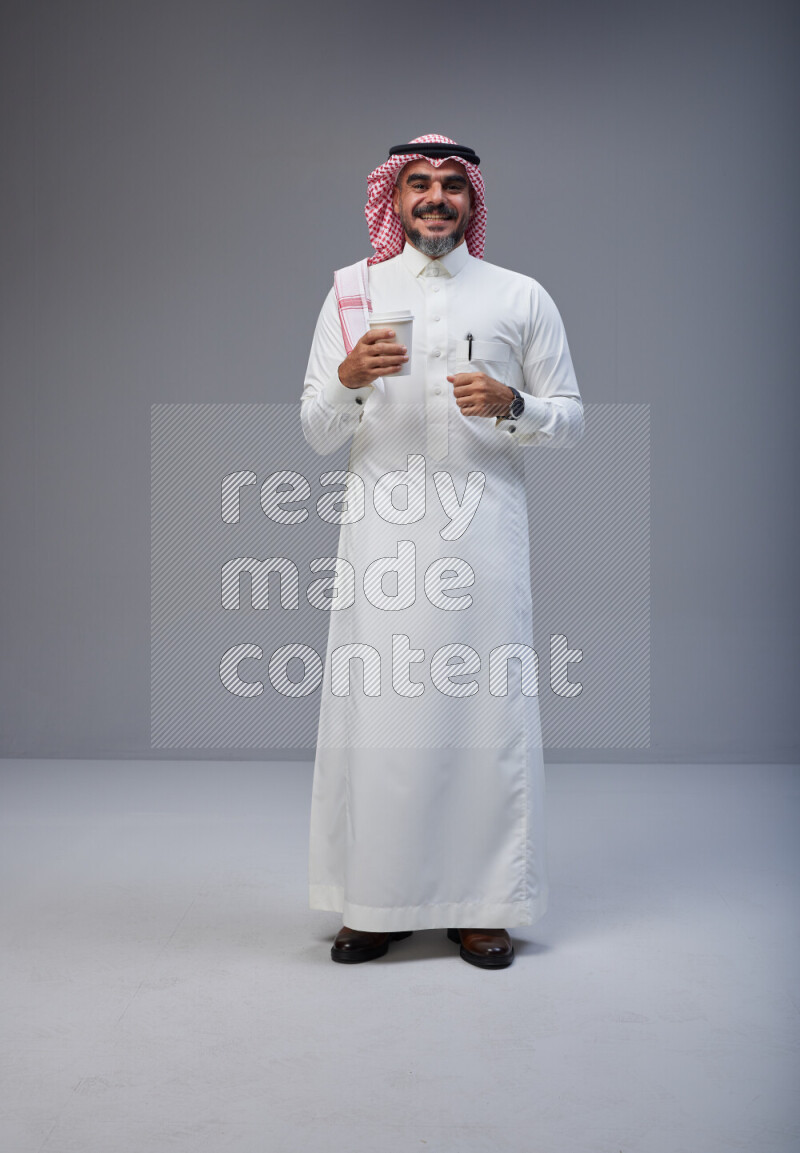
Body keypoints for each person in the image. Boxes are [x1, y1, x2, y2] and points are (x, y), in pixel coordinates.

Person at [300, 133, 583, 969]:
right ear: (392, 199)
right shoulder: (352, 291)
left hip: (483, 540)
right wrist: (350, 375)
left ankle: (482, 905)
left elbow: (571, 417)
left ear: (472, 201)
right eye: (417, 184)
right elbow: (316, 431)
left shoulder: (519, 295)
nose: (433, 198)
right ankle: (375, 903)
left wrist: (514, 402)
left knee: (480, 719)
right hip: (380, 542)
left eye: (450, 186)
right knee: (379, 723)